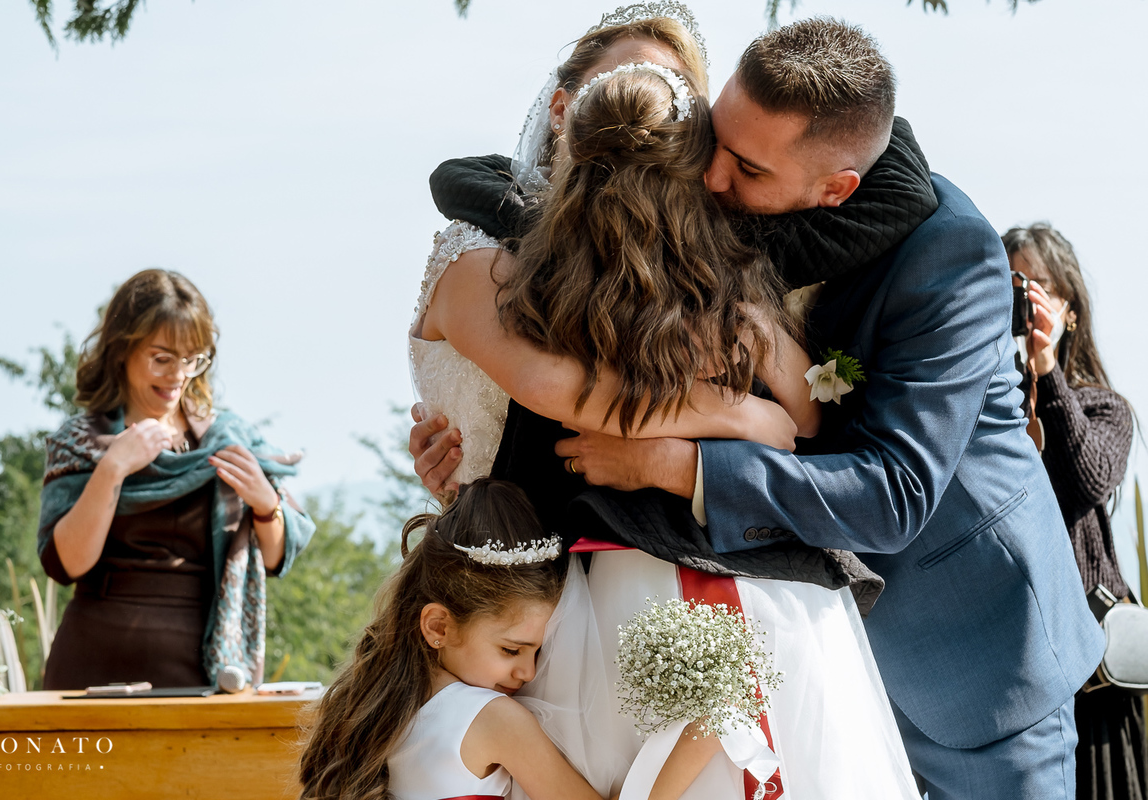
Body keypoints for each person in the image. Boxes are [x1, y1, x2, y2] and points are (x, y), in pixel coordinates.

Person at [417, 16, 1106, 800]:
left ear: (836, 186)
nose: (712, 181)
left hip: (968, 655)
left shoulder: (948, 255)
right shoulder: (719, 207)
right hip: (807, 632)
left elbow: (894, 494)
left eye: (744, 166)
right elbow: (558, 202)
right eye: (712, 142)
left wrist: (681, 463)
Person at [297, 478, 719, 800]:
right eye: (510, 649)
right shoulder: (493, 717)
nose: (528, 670)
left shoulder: (379, 706)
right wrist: (705, 735)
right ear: (438, 627)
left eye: (539, 650)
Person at [37, 269, 315, 690]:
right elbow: (66, 564)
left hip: (205, 669)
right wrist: (113, 467)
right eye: (162, 358)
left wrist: (265, 504)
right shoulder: (82, 442)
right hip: (92, 666)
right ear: (121, 351)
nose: (179, 375)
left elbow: (278, 558)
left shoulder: (231, 438)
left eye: (193, 359)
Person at [1003, 223, 1145, 800]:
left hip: (1093, 677)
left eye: (1036, 285)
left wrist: (1047, 370)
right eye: (1012, 284)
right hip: (1017, 661)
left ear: (1071, 308)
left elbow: (1085, 478)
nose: (1023, 298)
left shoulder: (1105, 407)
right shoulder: (995, 406)